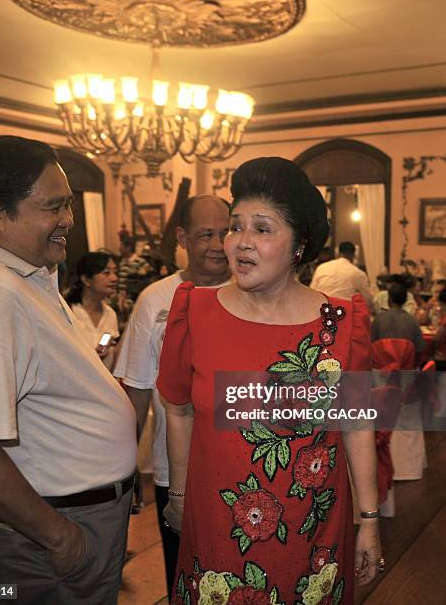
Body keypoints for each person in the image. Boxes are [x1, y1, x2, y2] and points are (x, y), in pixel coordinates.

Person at [157, 157, 382, 604]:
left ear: (299, 244)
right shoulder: (193, 313)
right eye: (235, 226)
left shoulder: (341, 323)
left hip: (313, 531)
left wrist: (370, 519)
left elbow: (357, 424)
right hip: (219, 528)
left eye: (262, 229)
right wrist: (179, 495)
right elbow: (178, 409)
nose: (239, 243)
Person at [0, 136, 137, 604]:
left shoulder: (25, 275)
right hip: (51, 534)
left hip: (73, 519)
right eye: (53, 207)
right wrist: (59, 537)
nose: (68, 221)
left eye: (69, 205)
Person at [113, 195, 232, 595]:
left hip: (240, 462)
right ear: (182, 237)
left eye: (225, 232)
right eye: (206, 235)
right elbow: (137, 391)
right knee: (183, 575)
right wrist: (127, 466)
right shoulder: (154, 300)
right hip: (175, 470)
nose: (218, 244)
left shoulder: (253, 289)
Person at [65, 251, 119, 370]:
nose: (114, 278)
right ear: (86, 279)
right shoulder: (68, 311)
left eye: (115, 272)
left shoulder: (110, 314)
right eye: (106, 273)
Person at [310, 240, 374, 311]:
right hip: (344, 314)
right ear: (354, 255)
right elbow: (368, 301)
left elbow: (312, 292)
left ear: (338, 253)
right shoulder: (357, 273)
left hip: (320, 311)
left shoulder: (321, 268)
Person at [371, 283, 426, 360]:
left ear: (389, 299)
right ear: (405, 300)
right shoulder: (413, 321)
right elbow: (420, 348)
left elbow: (371, 344)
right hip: (405, 367)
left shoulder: (379, 319)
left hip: (382, 365)